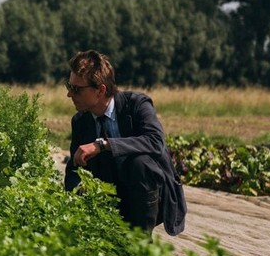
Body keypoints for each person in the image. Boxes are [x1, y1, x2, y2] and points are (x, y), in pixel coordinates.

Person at [63, 50, 186, 236]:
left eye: (76, 89)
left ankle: (141, 241)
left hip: (149, 196)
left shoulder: (137, 104)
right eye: (69, 86)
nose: (69, 94)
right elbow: (74, 169)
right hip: (110, 197)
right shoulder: (80, 121)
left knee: (140, 163)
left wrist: (103, 145)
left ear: (100, 90)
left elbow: (155, 141)